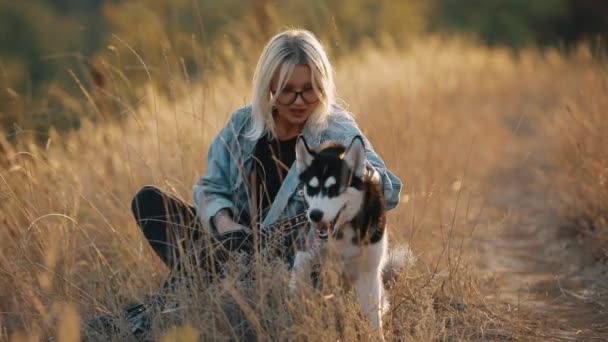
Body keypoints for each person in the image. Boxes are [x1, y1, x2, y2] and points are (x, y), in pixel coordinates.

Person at [118, 28, 401, 338]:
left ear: (323, 85)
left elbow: (387, 189)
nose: (298, 101)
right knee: (149, 202)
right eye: (286, 90)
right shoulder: (243, 124)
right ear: (268, 86)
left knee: (240, 247)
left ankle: (158, 311)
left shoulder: (337, 128)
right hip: (233, 240)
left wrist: (363, 177)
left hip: (293, 258)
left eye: (309, 89)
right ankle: (218, 283)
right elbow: (210, 187)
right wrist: (227, 226)